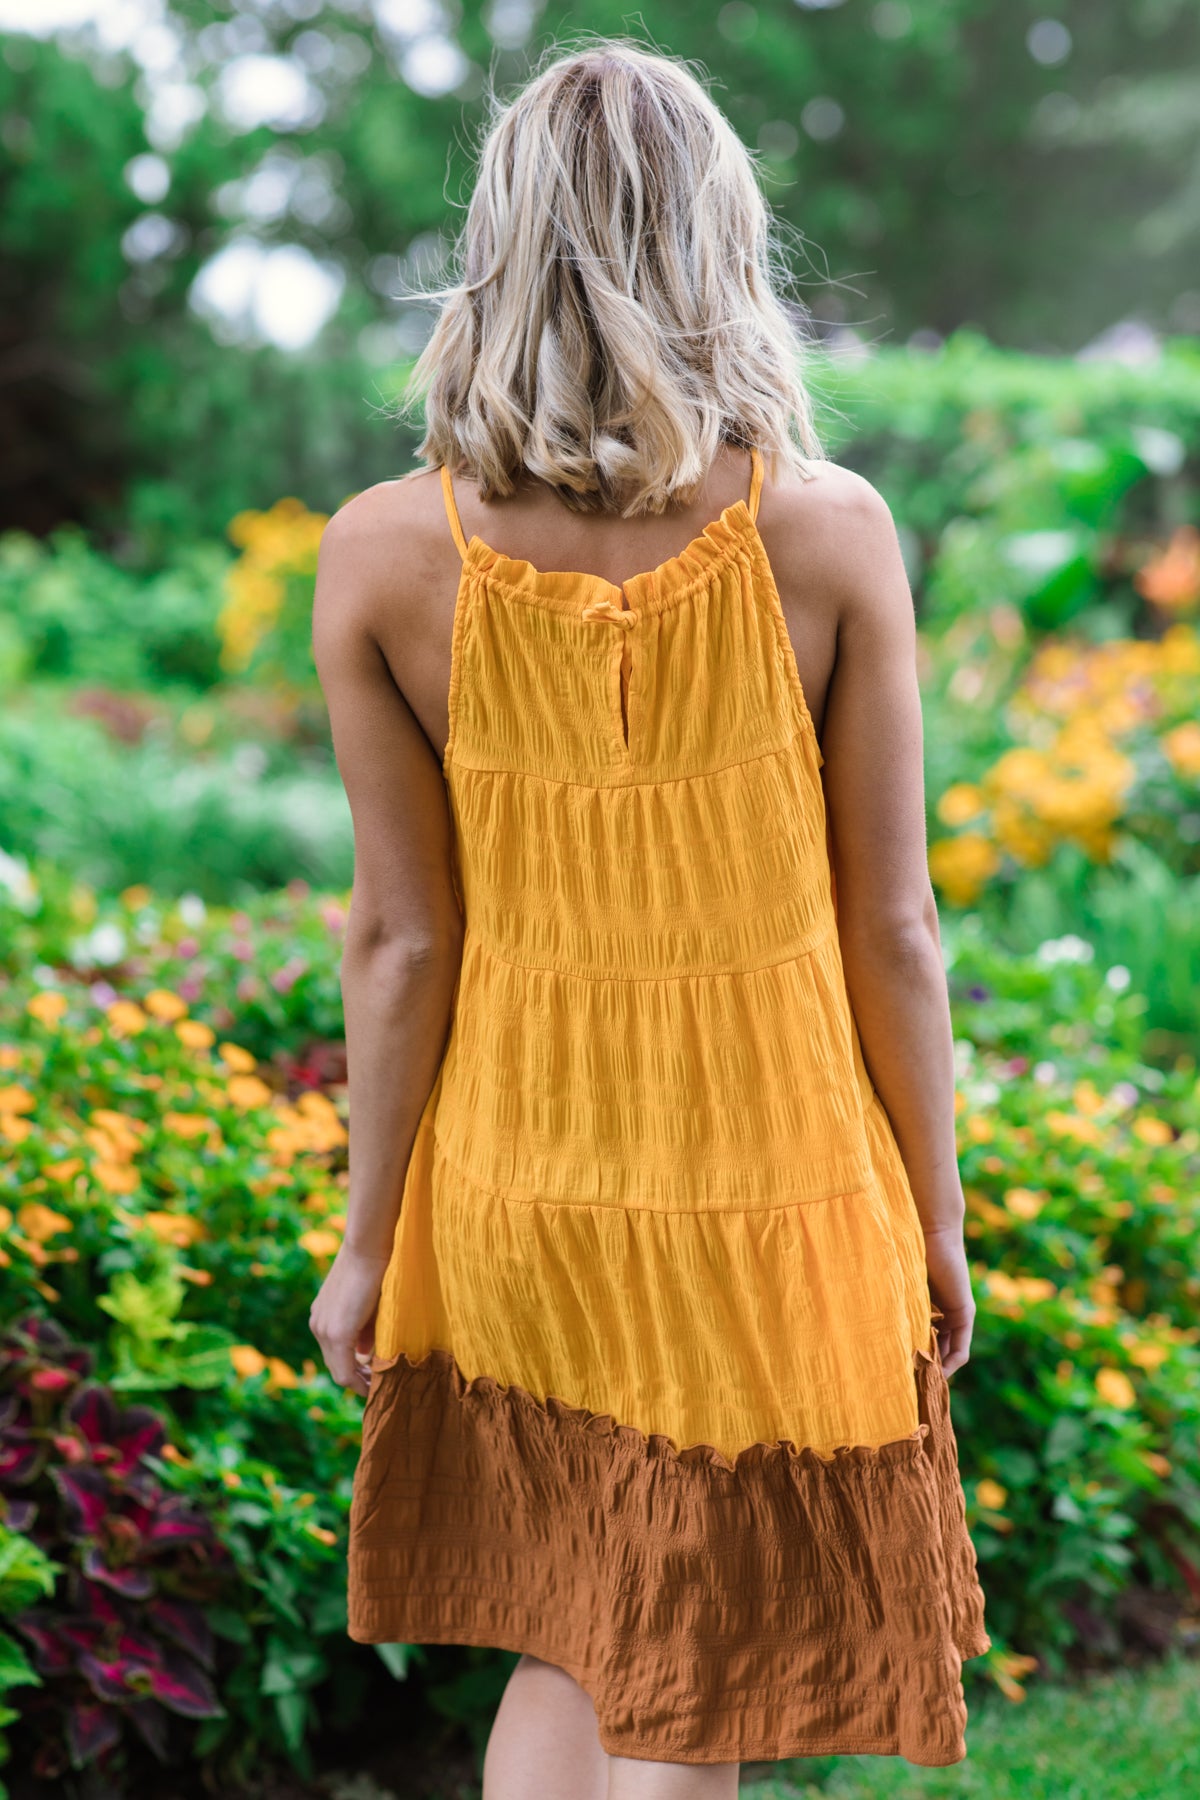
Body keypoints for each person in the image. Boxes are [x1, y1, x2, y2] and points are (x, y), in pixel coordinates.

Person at [309, 36, 989, 1799]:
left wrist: (373, 1238)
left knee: (583, 1627)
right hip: (766, 1185)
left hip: (524, 1177)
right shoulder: (829, 538)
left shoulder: (385, 554)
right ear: (721, 247)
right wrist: (937, 1209)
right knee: (712, 1668)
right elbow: (894, 928)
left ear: (502, 246)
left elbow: (399, 945)